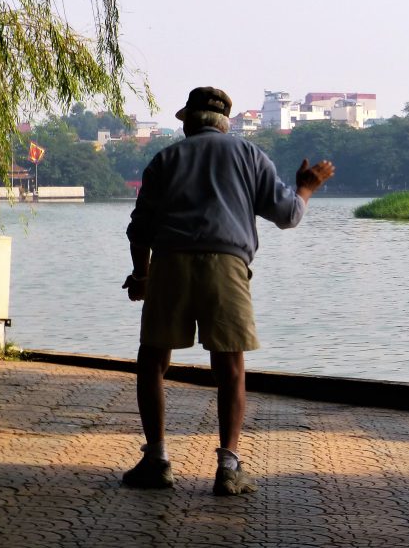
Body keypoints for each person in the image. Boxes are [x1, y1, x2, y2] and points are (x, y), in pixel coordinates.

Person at [121, 86, 334, 495]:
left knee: (152, 363)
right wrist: (306, 187)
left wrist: (142, 275)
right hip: (227, 265)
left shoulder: (165, 159)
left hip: (170, 263)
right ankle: (229, 467)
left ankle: (157, 460)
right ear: (224, 123)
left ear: (187, 122)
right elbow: (288, 215)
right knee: (230, 368)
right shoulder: (250, 156)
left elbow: (140, 229)